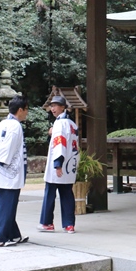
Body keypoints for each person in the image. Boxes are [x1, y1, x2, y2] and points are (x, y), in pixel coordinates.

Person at [0, 95, 29, 247]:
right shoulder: (15, 126)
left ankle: (14, 235)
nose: (27, 113)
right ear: (20, 110)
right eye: (26, 110)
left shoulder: (2, 124)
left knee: (8, 205)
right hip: (9, 172)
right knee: (6, 205)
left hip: (1, 168)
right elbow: (8, 147)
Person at [38, 95, 80, 234]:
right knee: (67, 193)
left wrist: (58, 164)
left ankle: (47, 222)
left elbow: (59, 144)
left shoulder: (59, 124)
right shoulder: (73, 124)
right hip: (70, 163)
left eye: (55, 105)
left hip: (59, 163)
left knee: (50, 192)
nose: (52, 108)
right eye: (51, 106)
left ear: (63, 107)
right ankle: (69, 224)